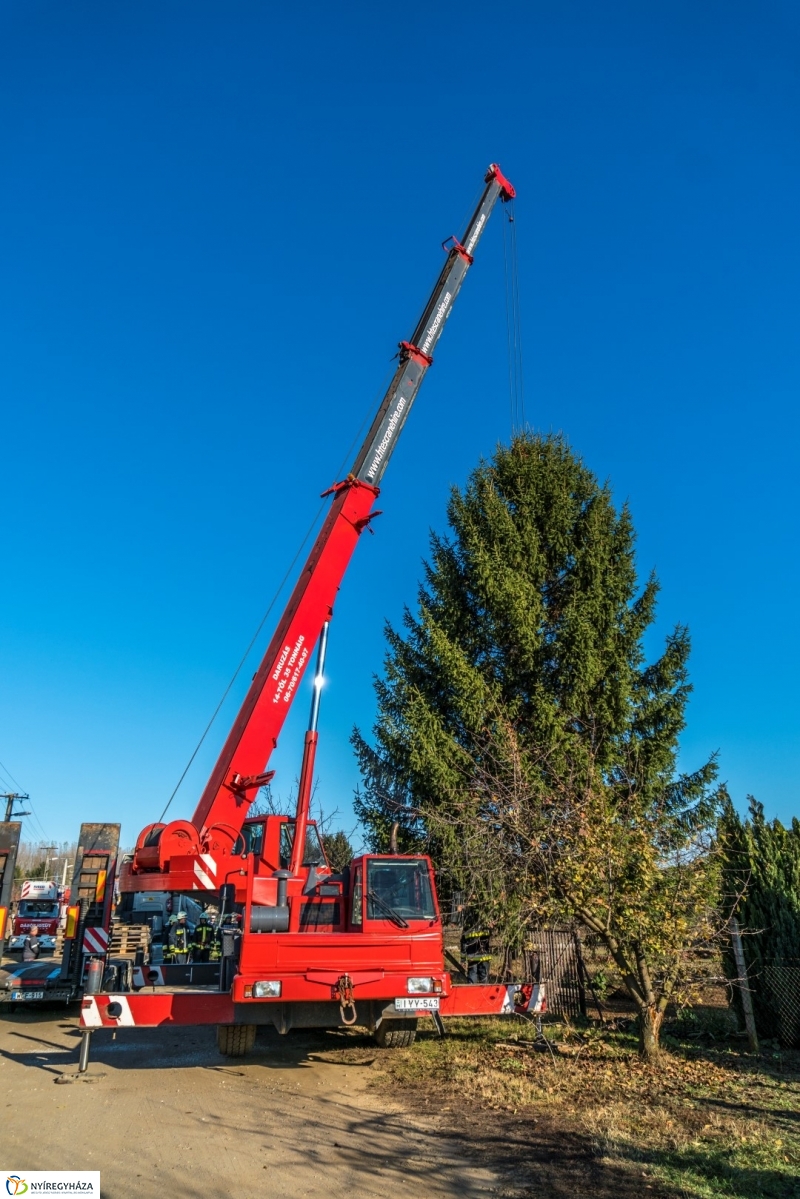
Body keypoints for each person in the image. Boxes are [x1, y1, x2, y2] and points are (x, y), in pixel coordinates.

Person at [461, 919, 492, 984]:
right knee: (484, 981)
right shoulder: (486, 925)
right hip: (484, 957)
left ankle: (472, 992)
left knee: (472, 979)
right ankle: (484, 993)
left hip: (472, 958)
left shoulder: (468, 927)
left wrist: (463, 960)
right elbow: (490, 936)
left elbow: (463, 944)